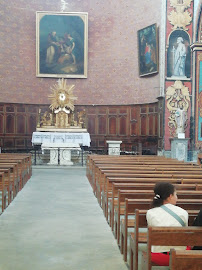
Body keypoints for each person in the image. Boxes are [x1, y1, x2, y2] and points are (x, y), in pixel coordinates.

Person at [146, 182, 188, 266]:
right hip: (179, 255)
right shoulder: (183, 212)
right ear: (170, 196)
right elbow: (185, 234)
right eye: (176, 194)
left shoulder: (150, 213)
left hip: (158, 256)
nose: (177, 198)